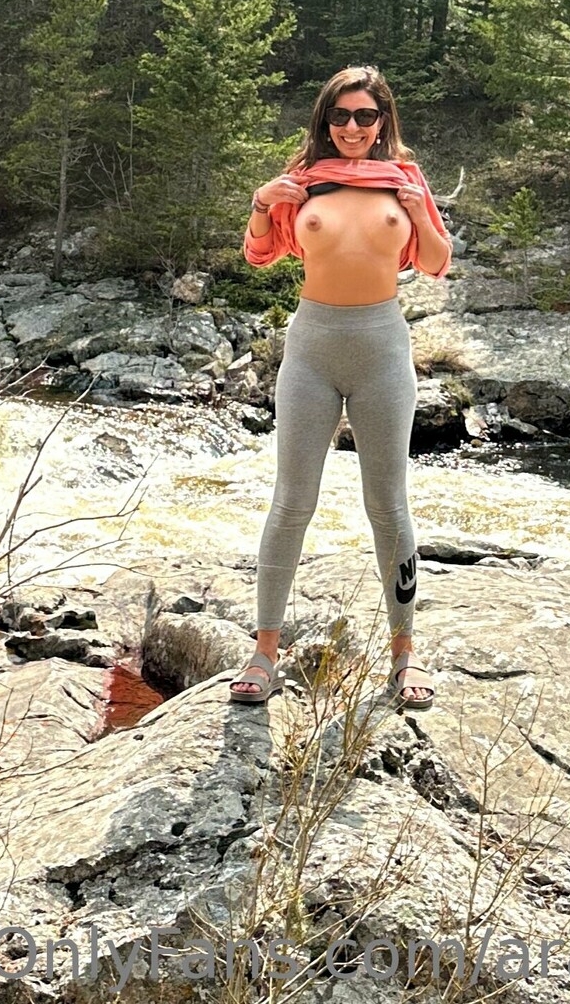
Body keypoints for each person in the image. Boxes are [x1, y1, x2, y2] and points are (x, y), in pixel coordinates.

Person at [231, 65, 452, 710]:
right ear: (325, 121)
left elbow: (436, 263)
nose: (352, 127)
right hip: (312, 351)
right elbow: (258, 254)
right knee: (291, 501)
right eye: (340, 115)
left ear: (383, 121)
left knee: (388, 504)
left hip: (382, 349)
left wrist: (421, 213)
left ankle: (404, 654)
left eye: (365, 116)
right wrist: (260, 204)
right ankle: (264, 654)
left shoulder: (405, 180)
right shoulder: (302, 179)